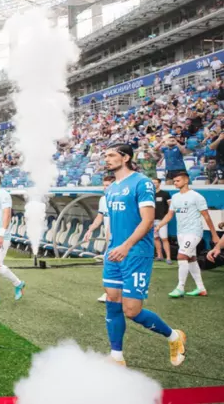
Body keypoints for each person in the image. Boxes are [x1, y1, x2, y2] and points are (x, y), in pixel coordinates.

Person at [101, 144, 185, 368]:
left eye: (111, 155)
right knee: (112, 300)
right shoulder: (111, 188)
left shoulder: (142, 182)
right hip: (114, 252)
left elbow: (148, 221)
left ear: (126, 157)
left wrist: (126, 246)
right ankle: (116, 356)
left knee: (131, 310)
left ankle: (174, 336)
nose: (106, 159)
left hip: (136, 253)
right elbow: (113, 223)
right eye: (105, 155)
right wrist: (111, 247)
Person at [155, 172, 219, 298]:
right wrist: (158, 226)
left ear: (186, 180)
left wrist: (214, 234)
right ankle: (201, 288)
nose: (175, 183)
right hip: (181, 233)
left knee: (182, 256)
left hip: (194, 232)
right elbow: (169, 215)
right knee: (191, 259)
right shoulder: (175, 197)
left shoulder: (197, 197)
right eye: (174, 181)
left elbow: (206, 216)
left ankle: (180, 288)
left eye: (177, 180)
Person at [0, 171, 24, 303]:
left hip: (1, 235)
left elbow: (7, 215)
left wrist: (1, 235)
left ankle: (18, 283)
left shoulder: (4, 195)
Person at [83, 175, 115, 303]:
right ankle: (110, 293)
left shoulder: (120, 199)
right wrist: (90, 230)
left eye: (108, 185)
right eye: (104, 185)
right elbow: (100, 217)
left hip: (119, 239)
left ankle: (113, 294)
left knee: (113, 266)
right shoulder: (103, 199)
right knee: (109, 266)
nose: (105, 188)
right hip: (110, 240)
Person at [153, 178, 172, 264]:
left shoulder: (165, 194)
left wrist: (167, 216)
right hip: (152, 220)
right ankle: (159, 256)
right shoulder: (149, 194)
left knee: (164, 238)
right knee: (155, 238)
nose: (154, 184)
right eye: (152, 183)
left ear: (159, 183)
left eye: (155, 183)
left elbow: (170, 206)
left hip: (162, 220)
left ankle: (168, 257)